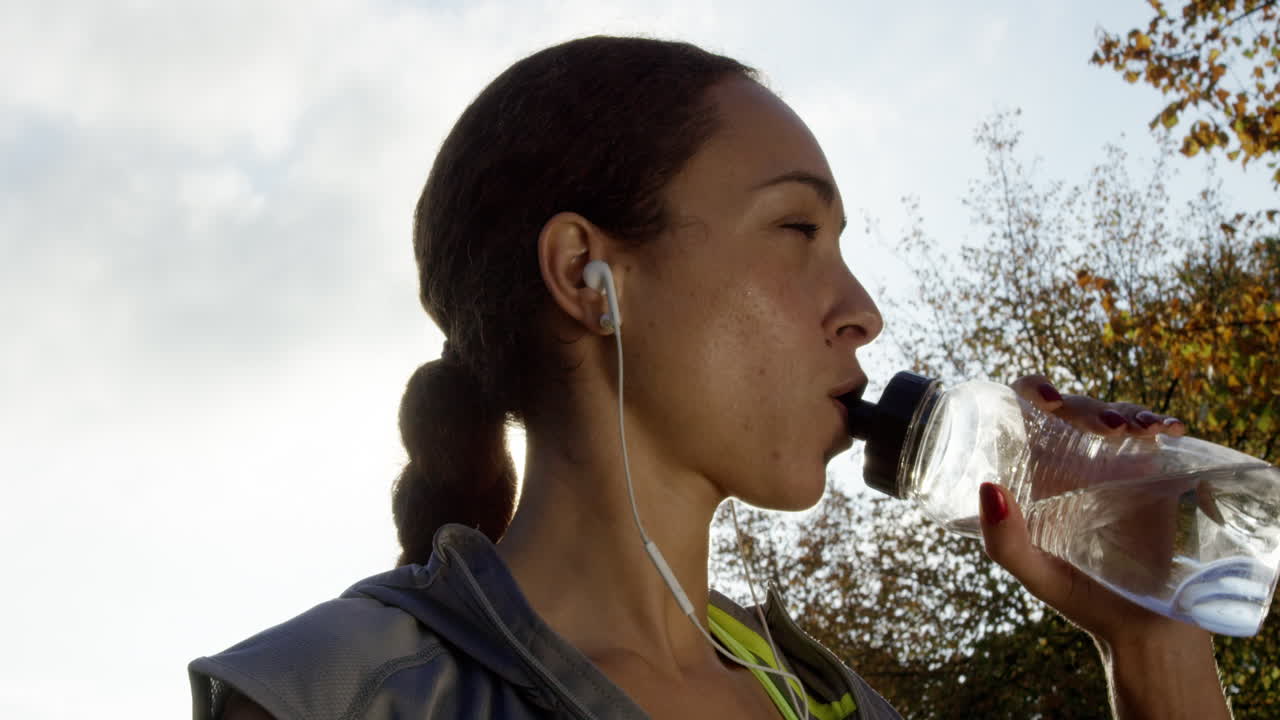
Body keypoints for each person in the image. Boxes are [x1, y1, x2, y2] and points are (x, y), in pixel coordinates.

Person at [189, 36, 1231, 719]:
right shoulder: (329, 698)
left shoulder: (831, 704)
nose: (861, 310)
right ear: (586, 277)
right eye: (794, 229)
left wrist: (1155, 646)